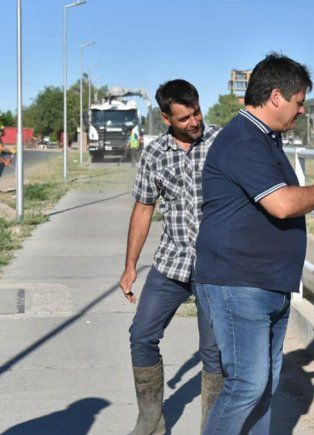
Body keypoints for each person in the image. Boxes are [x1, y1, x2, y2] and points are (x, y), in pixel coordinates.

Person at [194, 52, 314, 434]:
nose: (301, 112)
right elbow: (281, 204)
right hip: (239, 283)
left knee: (264, 387)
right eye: (299, 103)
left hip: (266, 283)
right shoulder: (243, 140)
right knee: (246, 385)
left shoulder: (265, 140)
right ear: (276, 96)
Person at [118, 79, 223, 435]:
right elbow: (144, 208)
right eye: (184, 118)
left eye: (196, 112)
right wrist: (130, 265)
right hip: (171, 261)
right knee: (141, 335)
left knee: (214, 354)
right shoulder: (154, 154)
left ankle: (213, 428)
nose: (195, 122)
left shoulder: (220, 143)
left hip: (216, 267)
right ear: (166, 118)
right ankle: (151, 420)